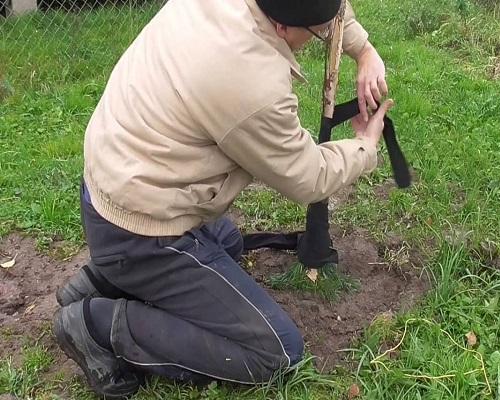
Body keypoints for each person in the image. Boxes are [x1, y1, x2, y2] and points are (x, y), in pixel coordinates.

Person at [53, 0, 394, 398]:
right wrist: (365, 146)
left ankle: (107, 275)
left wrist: (364, 50)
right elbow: (308, 176)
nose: (322, 37)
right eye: (319, 34)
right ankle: (98, 324)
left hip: (115, 184)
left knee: (227, 241)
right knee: (275, 351)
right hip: (141, 224)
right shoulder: (250, 80)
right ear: (283, 28)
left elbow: (324, 8)